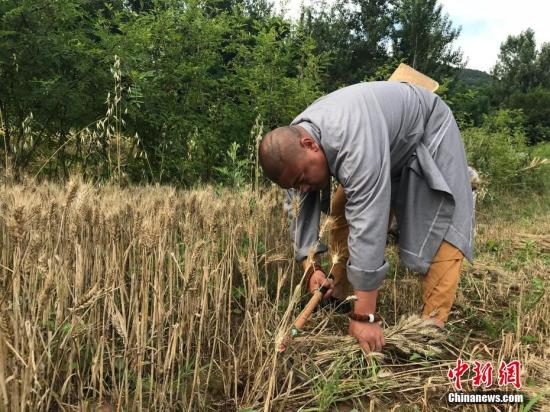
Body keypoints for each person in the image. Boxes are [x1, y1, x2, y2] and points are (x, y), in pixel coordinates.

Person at [258, 80, 475, 354]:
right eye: (294, 184)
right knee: (341, 208)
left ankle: (429, 329)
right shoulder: (294, 146)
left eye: (302, 178)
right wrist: (311, 268)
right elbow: (299, 207)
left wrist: (365, 317)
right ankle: (338, 290)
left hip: (427, 132)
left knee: (440, 221)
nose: (301, 187)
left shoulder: (352, 141)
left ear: (310, 144)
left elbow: (369, 222)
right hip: (382, 142)